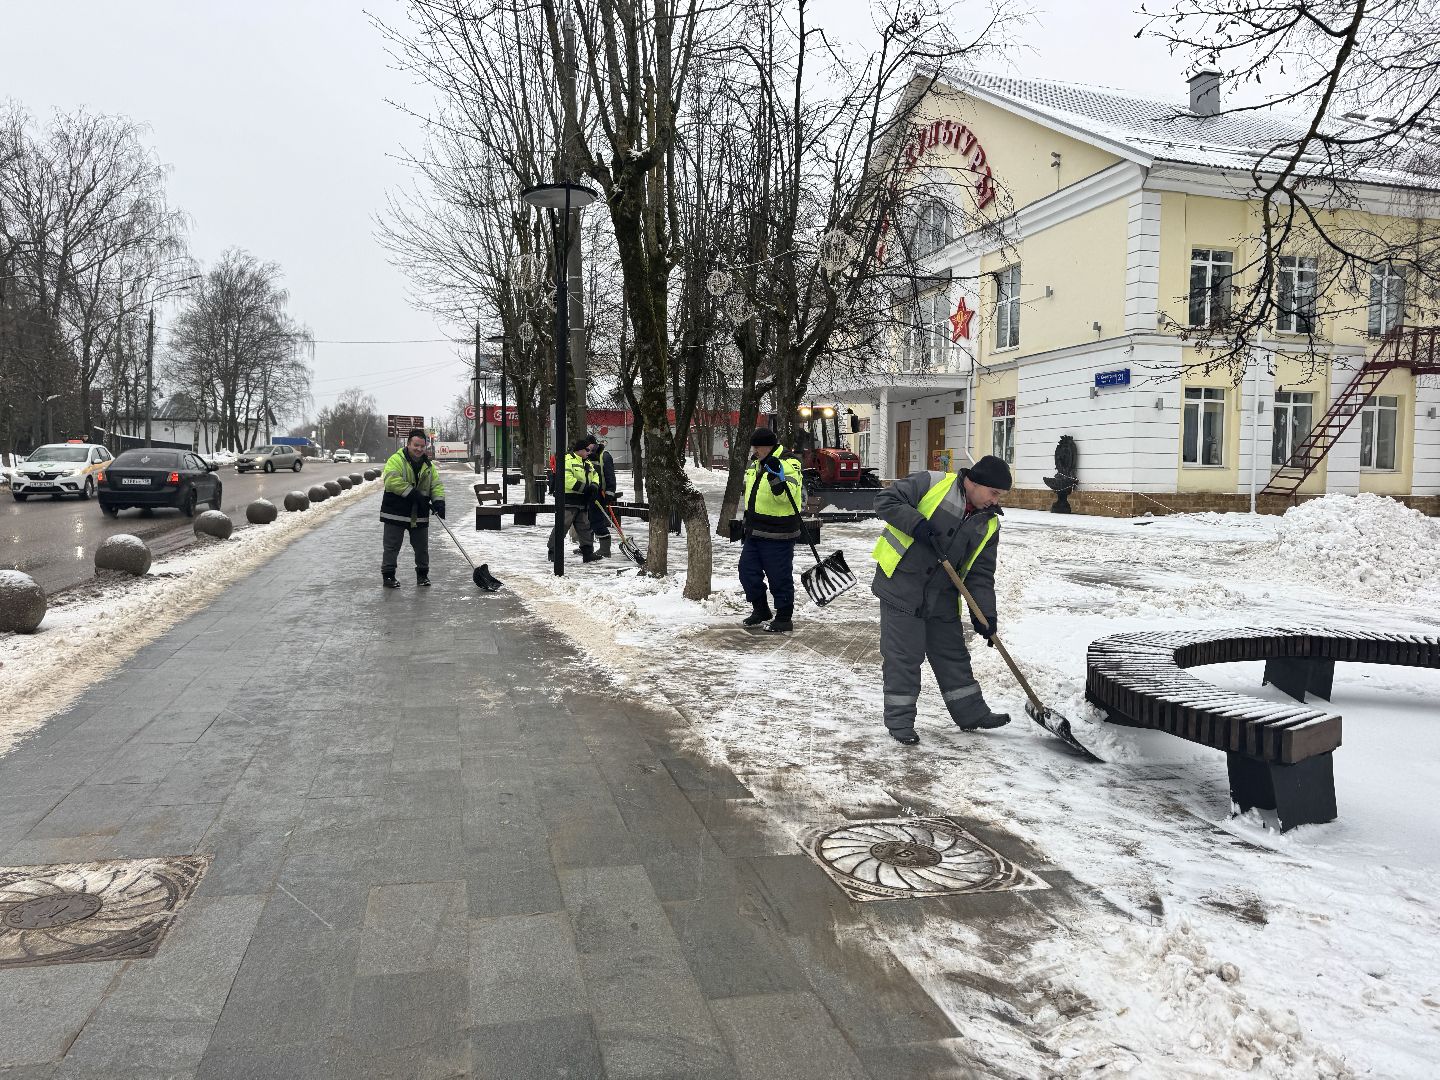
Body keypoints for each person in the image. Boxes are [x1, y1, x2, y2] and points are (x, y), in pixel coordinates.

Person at [870, 454, 1013, 745]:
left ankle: (972, 714)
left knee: (953, 655)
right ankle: (900, 723)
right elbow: (885, 501)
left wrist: (985, 615)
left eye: (1000, 496)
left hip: (942, 595)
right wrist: (917, 525)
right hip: (902, 585)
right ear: (973, 482)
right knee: (904, 657)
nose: (995, 501)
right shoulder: (931, 483)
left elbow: (980, 574)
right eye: (993, 493)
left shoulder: (988, 524)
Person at [739, 427, 803, 633]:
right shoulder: (756, 463)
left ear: (768, 446)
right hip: (754, 530)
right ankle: (761, 610)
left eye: (758, 447)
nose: (755, 451)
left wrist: (776, 477)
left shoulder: (789, 463)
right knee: (747, 572)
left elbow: (788, 498)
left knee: (779, 576)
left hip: (778, 532)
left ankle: (784, 617)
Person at [380, 428, 447, 588]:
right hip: (395, 512)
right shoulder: (396, 460)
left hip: (419, 512)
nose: (419, 449)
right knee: (392, 546)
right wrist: (413, 493)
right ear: (408, 444)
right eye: (416, 445)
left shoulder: (428, 465)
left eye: (422, 446)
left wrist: (439, 501)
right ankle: (388, 576)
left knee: (422, 547)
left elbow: (436, 485)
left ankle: (422, 576)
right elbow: (391, 480)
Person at [548, 436, 602, 563]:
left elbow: (595, 475)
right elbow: (566, 479)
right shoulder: (567, 460)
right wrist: (584, 488)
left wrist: (594, 486)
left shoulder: (587, 462)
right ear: (580, 450)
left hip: (583, 501)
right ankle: (553, 552)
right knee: (562, 526)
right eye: (588, 450)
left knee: (585, 528)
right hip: (568, 501)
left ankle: (588, 553)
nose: (590, 453)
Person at [584, 436, 618, 558]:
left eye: (589, 446)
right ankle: (587, 546)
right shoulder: (587, 456)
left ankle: (605, 549)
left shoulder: (605, 456)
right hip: (588, 494)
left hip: (600, 494)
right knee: (587, 521)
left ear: (594, 444)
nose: (587, 449)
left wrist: (610, 493)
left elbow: (610, 476)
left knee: (596, 520)